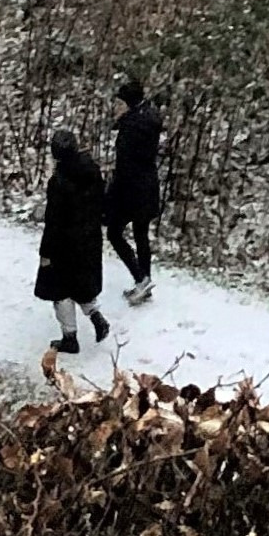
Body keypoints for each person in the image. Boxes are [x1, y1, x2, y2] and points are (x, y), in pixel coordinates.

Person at [36, 126, 112, 354]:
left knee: (60, 291)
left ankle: (70, 337)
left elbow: (54, 221)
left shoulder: (59, 182)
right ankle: (97, 316)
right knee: (81, 284)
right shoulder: (93, 171)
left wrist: (46, 252)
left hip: (64, 244)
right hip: (89, 238)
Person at [106, 75, 163, 304]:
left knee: (114, 233)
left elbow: (124, 168)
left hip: (132, 191)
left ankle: (141, 278)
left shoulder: (130, 130)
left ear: (129, 105)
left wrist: (110, 197)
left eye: (119, 104)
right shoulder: (148, 120)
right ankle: (143, 283)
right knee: (141, 234)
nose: (115, 108)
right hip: (148, 186)